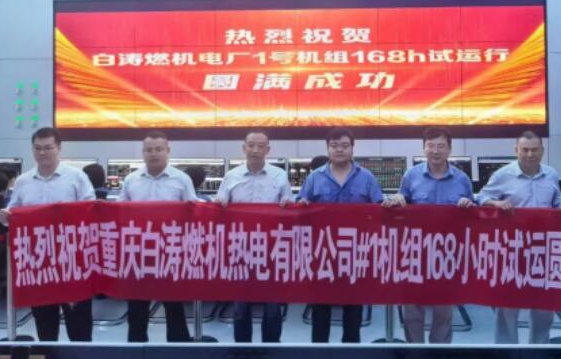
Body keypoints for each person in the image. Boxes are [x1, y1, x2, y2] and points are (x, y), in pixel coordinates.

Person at [476, 130, 561, 344]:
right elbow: (481, 198)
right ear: (516, 150)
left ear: (542, 151)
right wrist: (496, 203)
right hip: (511, 249)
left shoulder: (551, 174)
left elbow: (556, 206)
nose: (529, 154)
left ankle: (539, 349)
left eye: (534, 150)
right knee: (507, 307)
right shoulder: (502, 175)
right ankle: (507, 352)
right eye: (524, 149)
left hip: (544, 250)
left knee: (544, 308)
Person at [0, 127, 96, 342]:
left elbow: (92, 211)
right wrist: (5, 217)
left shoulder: (77, 177)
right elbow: (14, 213)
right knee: (45, 324)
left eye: (48, 148)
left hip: (72, 261)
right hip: (39, 261)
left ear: (59, 148)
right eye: (37, 148)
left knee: (79, 325)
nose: (42, 153)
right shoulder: (23, 181)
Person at [382, 128, 475, 343]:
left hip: (448, 254)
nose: (435, 151)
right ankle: (415, 351)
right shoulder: (411, 176)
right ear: (423, 148)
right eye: (431, 146)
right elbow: (402, 200)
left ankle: (438, 352)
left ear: (449, 149)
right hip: (415, 253)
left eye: (441, 146)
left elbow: (473, 213)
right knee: (412, 311)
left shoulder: (462, 179)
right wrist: (397, 199)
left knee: (443, 312)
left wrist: (468, 204)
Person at [297, 127, 383, 343]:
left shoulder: (367, 178)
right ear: (328, 149)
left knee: (353, 311)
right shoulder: (315, 178)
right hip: (322, 253)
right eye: (334, 146)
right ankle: (320, 352)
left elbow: (379, 209)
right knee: (320, 309)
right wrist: (301, 204)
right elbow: (300, 207)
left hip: (356, 253)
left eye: (345, 145)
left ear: (352, 149)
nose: (339, 150)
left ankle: (350, 351)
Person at [118, 130, 196, 343]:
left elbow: (194, 213)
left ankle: (177, 349)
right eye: (149, 150)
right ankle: (136, 349)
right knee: (137, 307)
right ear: (143, 152)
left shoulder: (181, 180)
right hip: (138, 252)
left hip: (171, 251)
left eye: (159, 149)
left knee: (174, 306)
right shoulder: (132, 180)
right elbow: (119, 212)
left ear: (168, 151)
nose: (154, 153)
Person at [215, 129, 292, 342]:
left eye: (260, 146)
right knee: (241, 306)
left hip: (271, 249)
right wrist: (219, 204)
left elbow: (289, 207)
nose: (255, 150)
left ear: (268, 149)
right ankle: (242, 349)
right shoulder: (231, 176)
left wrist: (288, 204)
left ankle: (272, 348)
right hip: (240, 249)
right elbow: (219, 205)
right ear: (244, 148)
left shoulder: (279, 175)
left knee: (272, 307)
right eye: (251, 145)